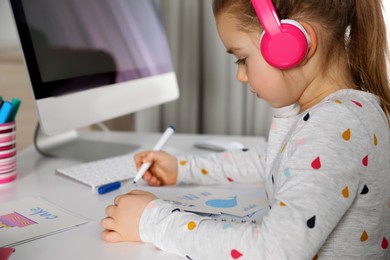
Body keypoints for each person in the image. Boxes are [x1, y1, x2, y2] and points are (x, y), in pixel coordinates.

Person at [101, 0, 390, 258]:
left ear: (291, 44)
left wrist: (152, 222)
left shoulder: (337, 124)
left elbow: (274, 250)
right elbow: (274, 161)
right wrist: (184, 168)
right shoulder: (334, 115)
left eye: (242, 58)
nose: (240, 75)